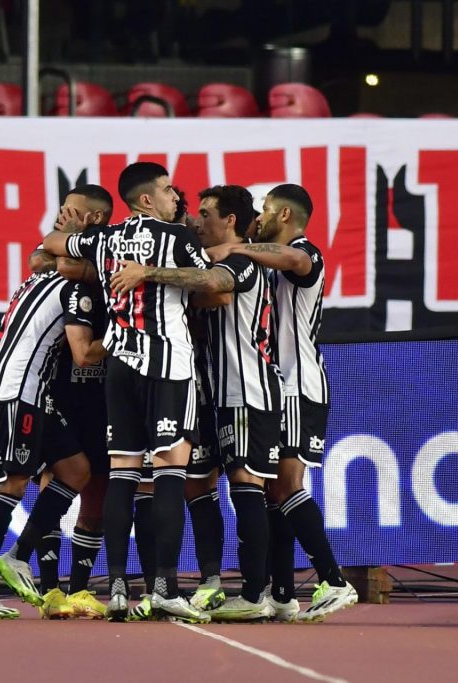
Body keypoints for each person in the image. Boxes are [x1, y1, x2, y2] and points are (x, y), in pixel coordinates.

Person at [42, 161, 211, 623]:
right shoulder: (177, 238)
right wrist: (153, 274)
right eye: (168, 190)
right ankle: (165, 588)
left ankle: (117, 588)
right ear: (146, 200)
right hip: (168, 367)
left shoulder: (108, 238)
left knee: (122, 474)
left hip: (120, 365)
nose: (177, 197)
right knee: (170, 473)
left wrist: (69, 237)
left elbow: (51, 245)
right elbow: (215, 285)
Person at [111, 184, 281, 621]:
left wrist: (150, 275)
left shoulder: (242, 261)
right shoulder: (202, 252)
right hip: (205, 388)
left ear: (228, 221)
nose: (197, 221)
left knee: (246, 486)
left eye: (206, 214)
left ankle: (257, 591)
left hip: (245, 389)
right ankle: (209, 582)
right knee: (199, 483)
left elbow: (218, 289)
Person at [206, 183, 358, 623]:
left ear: (286, 214)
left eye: (268, 210)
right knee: (274, 492)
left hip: (296, 384)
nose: (261, 217)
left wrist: (238, 249)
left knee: (287, 486)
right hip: (282, 384)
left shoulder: (303, 252)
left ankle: (333, 580)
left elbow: (297, 261)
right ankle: (282, 591)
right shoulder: (268, 261)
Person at [0, 260, 93, 620]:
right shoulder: (71, 286)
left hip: (37, 396)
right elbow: (82, 353)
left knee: (76, 470)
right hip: (18, 393)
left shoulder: (38, 278)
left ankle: (17, 555)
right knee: (11, 486)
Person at [31, 185, 115, 621]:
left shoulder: (115, 249)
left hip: (104, 395)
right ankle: (49, 590)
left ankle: (80, 590)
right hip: (58, 391)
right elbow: (42, 262)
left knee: (97, 493)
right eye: (60, 210)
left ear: (94, 220)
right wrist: (65, 246)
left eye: (70, 212)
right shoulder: (53, 249)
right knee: (55, 478)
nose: (61, 218)